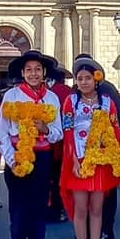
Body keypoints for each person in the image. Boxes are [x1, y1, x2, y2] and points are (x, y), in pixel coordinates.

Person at [0, 50, 63, 239]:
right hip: (18, 160)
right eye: (28, 70)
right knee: (18, 216)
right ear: (23, 73)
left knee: (38, 216)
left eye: (37, 70)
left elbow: (58, 133)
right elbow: (1, 132)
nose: (33, 74)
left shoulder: (52, 98)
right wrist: (11, 159)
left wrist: (46, 129)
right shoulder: (12, 95)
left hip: (42, 160)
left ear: (43, 73)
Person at [60, 57, 120, 239]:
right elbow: (68, 131)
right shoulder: (70, 102)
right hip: (78, 162)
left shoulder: (107, 102)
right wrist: (74, 160)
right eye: (80, 78)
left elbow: (116, 129)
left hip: (100, 163)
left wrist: (109, 148)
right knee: (81, 210)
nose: (84, 82)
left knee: (97, 210)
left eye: (88, 78)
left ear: (96, 79)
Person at [46, 64, 73, 223]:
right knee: (59, 179)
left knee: (52, 179)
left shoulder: (50, 92)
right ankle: (60, 208)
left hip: (51, 144)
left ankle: (53, 209)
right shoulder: (67, 92)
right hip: (63, 143)